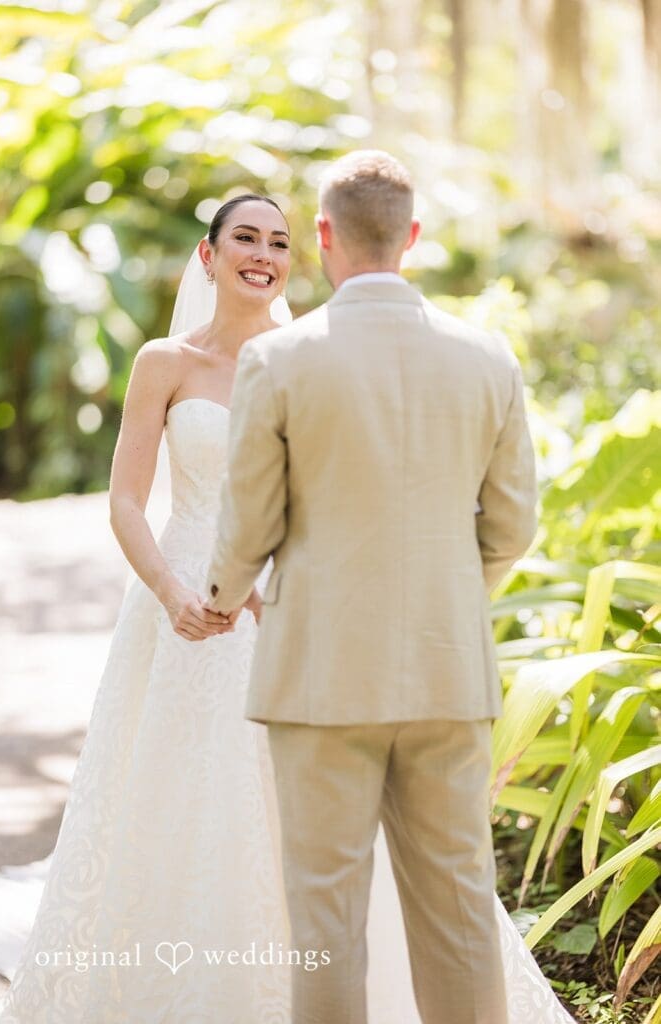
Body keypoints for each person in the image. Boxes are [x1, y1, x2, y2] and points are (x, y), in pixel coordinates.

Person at [0, 187, 575, 1024]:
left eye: (279, 242)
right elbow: (124, 500)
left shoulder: (308, 355)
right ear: (209, 255)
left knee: (312, 827)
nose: (263, 254)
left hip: (286, 614)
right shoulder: (165, 362)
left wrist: (276, 586)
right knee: (170, 802)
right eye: (246, 238)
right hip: (178, 599)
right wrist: (173, 591)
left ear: (304, 253)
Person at [204, 151, 544, 1024]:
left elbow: (249, 525)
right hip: (446, 670)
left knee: (324, 918)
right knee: (460, 908)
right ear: (413, 238)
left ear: (321, 237)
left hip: (319, 674)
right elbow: (511, 529)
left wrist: (218, 593)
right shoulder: (487, 359)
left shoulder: (277, 360)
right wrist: (445, 593)